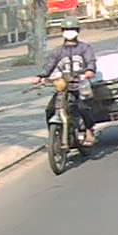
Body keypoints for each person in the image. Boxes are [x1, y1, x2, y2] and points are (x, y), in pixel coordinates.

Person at [34, 18, 99, 146]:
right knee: (50, 109)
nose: (69, 32)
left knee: (83, 107)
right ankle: (54, 137)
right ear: (62, 32)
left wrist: (89, 71)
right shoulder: (58, 51)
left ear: (77, 31)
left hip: (80, 84)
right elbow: (49, 66)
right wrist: (40, 76)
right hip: (64, 86)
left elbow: (91, 62)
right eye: (66, 29)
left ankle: (89, 129)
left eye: (72, 29)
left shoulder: (85, 48)